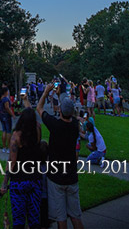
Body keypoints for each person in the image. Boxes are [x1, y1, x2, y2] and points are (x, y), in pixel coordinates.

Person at [37, 82, 84, 229]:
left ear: (60, 111)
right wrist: (60, 95)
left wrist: (45, 92)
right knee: (75, 216)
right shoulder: (75, 125)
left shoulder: (55, 125)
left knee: (61, 218)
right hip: (71, 176)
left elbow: (39, 108)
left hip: (56, 178)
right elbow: (72, 114)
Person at [0, 106, 45, 229]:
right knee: (34, 218)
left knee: (19, 220)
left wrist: (4, 183)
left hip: (19, 180)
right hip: (35, 179)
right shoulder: (38, 130)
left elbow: (12, 161)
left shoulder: (16, 137)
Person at [0, 86, 15, 153]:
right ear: (5, 92)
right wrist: (12, 114)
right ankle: (8, 147)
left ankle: (4, 147)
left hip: (1, 116)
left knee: (4, 131)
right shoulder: (6, 99)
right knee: (8, 131)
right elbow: (7, 108)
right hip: (6, 116)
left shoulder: (1, 99)